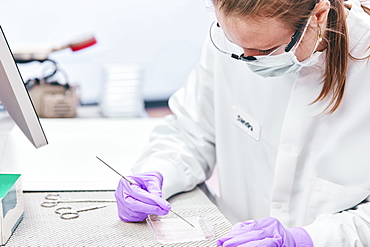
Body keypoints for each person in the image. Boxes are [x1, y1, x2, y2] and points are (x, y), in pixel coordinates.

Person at [114, 0, 370, 245]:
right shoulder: (235, 40)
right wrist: (158, 171)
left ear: (318, 16)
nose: (248, 60)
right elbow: (192, 131)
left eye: (266, 51)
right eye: (234, 43)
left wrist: (308, 239)